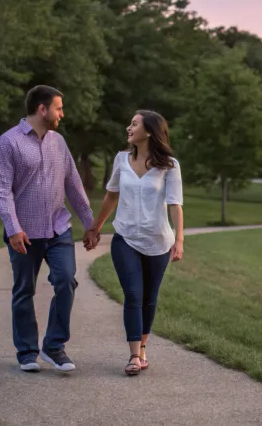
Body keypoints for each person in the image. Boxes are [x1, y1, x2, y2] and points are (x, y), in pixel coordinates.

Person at [0, 85, 99, 373]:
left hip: (58, 228)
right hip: (24, 234)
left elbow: (73, 185)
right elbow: (1, 190)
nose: (62, 113)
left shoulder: (58, 142)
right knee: (24, 290)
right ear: (42, 109)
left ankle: (53, 346)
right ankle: (26, 351)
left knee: (66, 281)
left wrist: (90, 224)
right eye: (58, 108)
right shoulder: (7, 143)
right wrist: (13, 228)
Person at [87, 109, 184, 376]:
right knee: (133, 294)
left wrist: (179, 240)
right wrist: (95, 228)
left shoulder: (169, 166)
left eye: (134, 124)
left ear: (150, 131)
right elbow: (111, 197)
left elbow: (176, 205)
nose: (128, 128)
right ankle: (133, 356)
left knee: (149, 298)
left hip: (158, 242)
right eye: (129, 123)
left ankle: (142, 348)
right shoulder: (121, 160)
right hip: (125, 238)